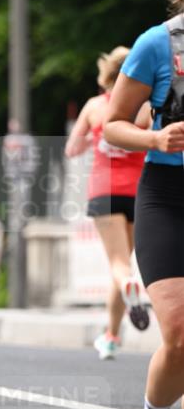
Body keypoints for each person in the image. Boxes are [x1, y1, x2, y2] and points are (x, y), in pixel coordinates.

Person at [104, 0, 184, 409]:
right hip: (167, 196)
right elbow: (112, 125)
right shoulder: (157, 44)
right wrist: (154, 137)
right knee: (178, 332)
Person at [65, 47, 151, 359]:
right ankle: (112, 336)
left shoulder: (94, 107)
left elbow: (72, 150)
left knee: (118, 266)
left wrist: (93, 139)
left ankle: (130, 288)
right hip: (140, 191)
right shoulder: (142, 107)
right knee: (124, 262)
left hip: (104, 190)